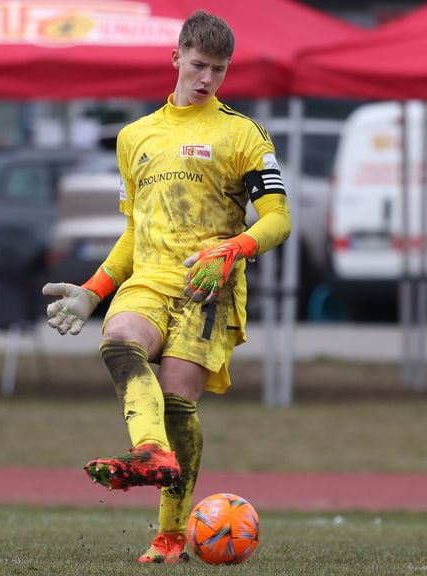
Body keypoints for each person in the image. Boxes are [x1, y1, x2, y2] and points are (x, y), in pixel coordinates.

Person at [41, 11, 290, 564]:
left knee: (178, 403)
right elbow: (135, 230)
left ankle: (171, 534)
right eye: (198, 65)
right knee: (118, 341)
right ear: (175, 57)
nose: (207, 79)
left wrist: (235, 249)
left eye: (219, 70)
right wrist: (92, 290)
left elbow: (278, 219)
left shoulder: (244, 134)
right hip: (149, 280)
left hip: (209, 287)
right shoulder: (135, 137)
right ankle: (148, 453)